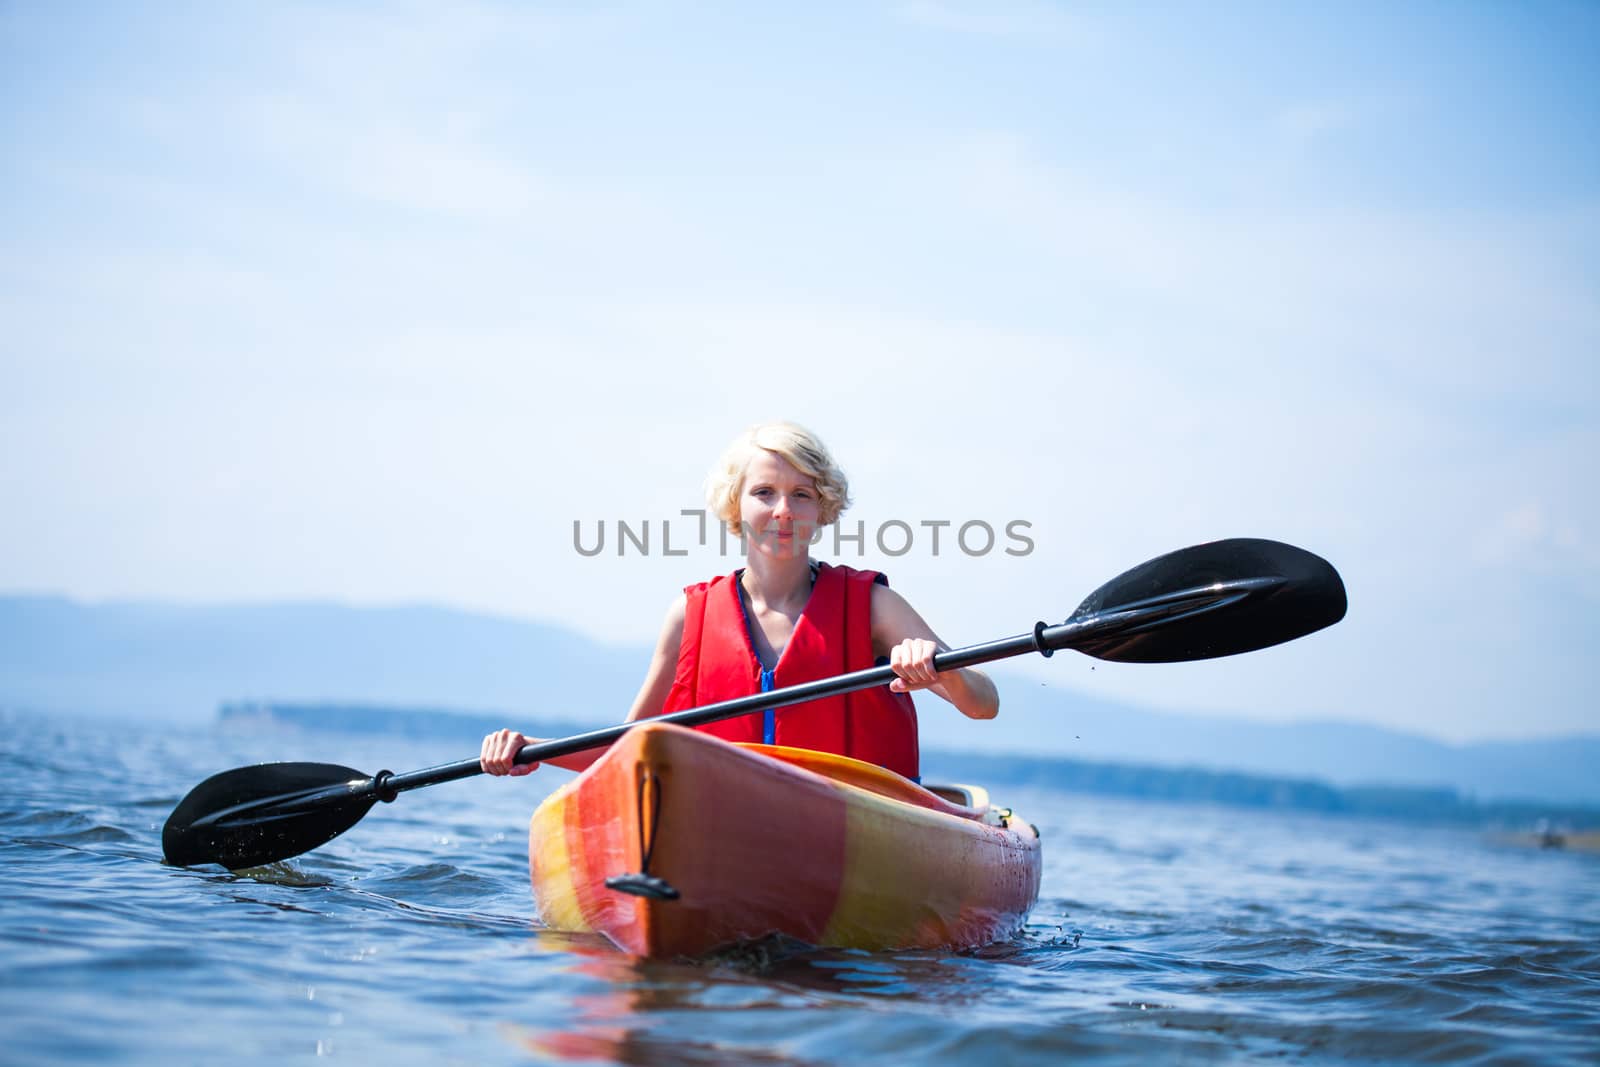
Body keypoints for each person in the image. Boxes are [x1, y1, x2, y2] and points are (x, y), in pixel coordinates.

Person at [480, 421, 998, 780]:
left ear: (823, 510)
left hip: (853, 825)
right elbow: (626, 746)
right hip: (727, 826)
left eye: (802, 495)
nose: (784, 511)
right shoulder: (689, 616)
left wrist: (937, 668)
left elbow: (983, 703)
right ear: (735, 503)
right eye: (764, 492)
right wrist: (535, 752)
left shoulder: (874, 607)